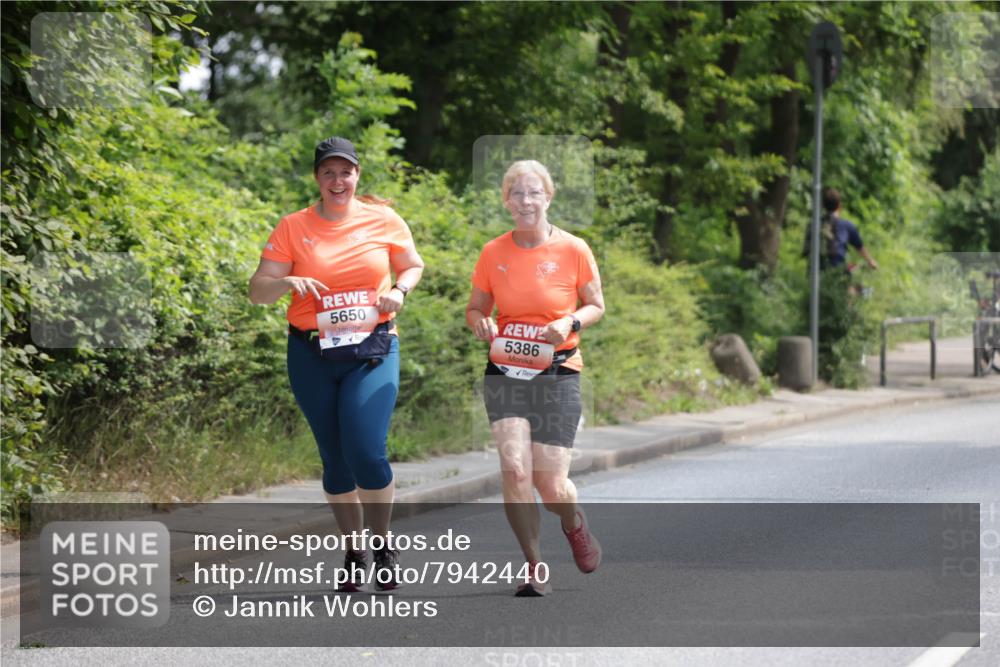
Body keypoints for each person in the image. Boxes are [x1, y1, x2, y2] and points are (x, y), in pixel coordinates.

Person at [249, 136, 424, 591]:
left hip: (372, 347)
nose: (337, 180)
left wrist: (399, 291)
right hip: (311, 352)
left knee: (365, 450)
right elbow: (257, 290)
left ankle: (383, 544)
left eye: (345, 171)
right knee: (334, 460)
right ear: (317, 178)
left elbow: (412, 265)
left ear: (357, 175)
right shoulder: (293, 226)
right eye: (328, 172)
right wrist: (287, 280)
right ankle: (353, 549)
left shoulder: (382, 218)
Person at [466, 160, 605, 597]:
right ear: (506, 201)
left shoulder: (573, 249)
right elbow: (475, 308)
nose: (526, 201)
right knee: (513, 468)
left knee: (550, 484)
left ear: (549, 197)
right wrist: (480, 324)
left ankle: (573, 521)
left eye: (534, 193)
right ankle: (534, 565)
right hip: (505, 369)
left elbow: (596, 304)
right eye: (517, 194)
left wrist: (570, 323)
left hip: (558, 371)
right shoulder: (493, 253)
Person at [804, 187, 879, 273]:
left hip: (813, 274)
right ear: (839, 205)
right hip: (836, 275)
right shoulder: (846, 226)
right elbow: (860, 248)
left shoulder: (814, 224)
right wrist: (870, 261)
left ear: (823, 206)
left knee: (852, 266)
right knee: (857, 278)